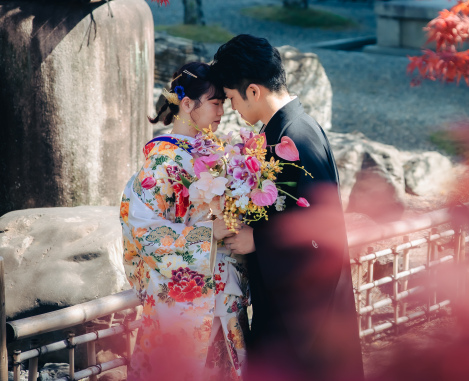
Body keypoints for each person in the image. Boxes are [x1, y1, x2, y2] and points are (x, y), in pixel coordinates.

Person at [209, 34, 364, 381]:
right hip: (289, 302)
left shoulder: (295, 138)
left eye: (232, 98)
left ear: (253, 91)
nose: (232, 108)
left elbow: (318, 233)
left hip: (307, 318)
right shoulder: (285, 131)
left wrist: (258, 240)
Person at [120, 61, 249, 381]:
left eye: (223, 103)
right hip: (183, 292)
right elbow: (143, 232)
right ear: (188, 104)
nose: (222, 111)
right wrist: (209, 232)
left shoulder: (219, 151)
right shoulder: (162, 160)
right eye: (216, 103)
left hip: (223, 287)